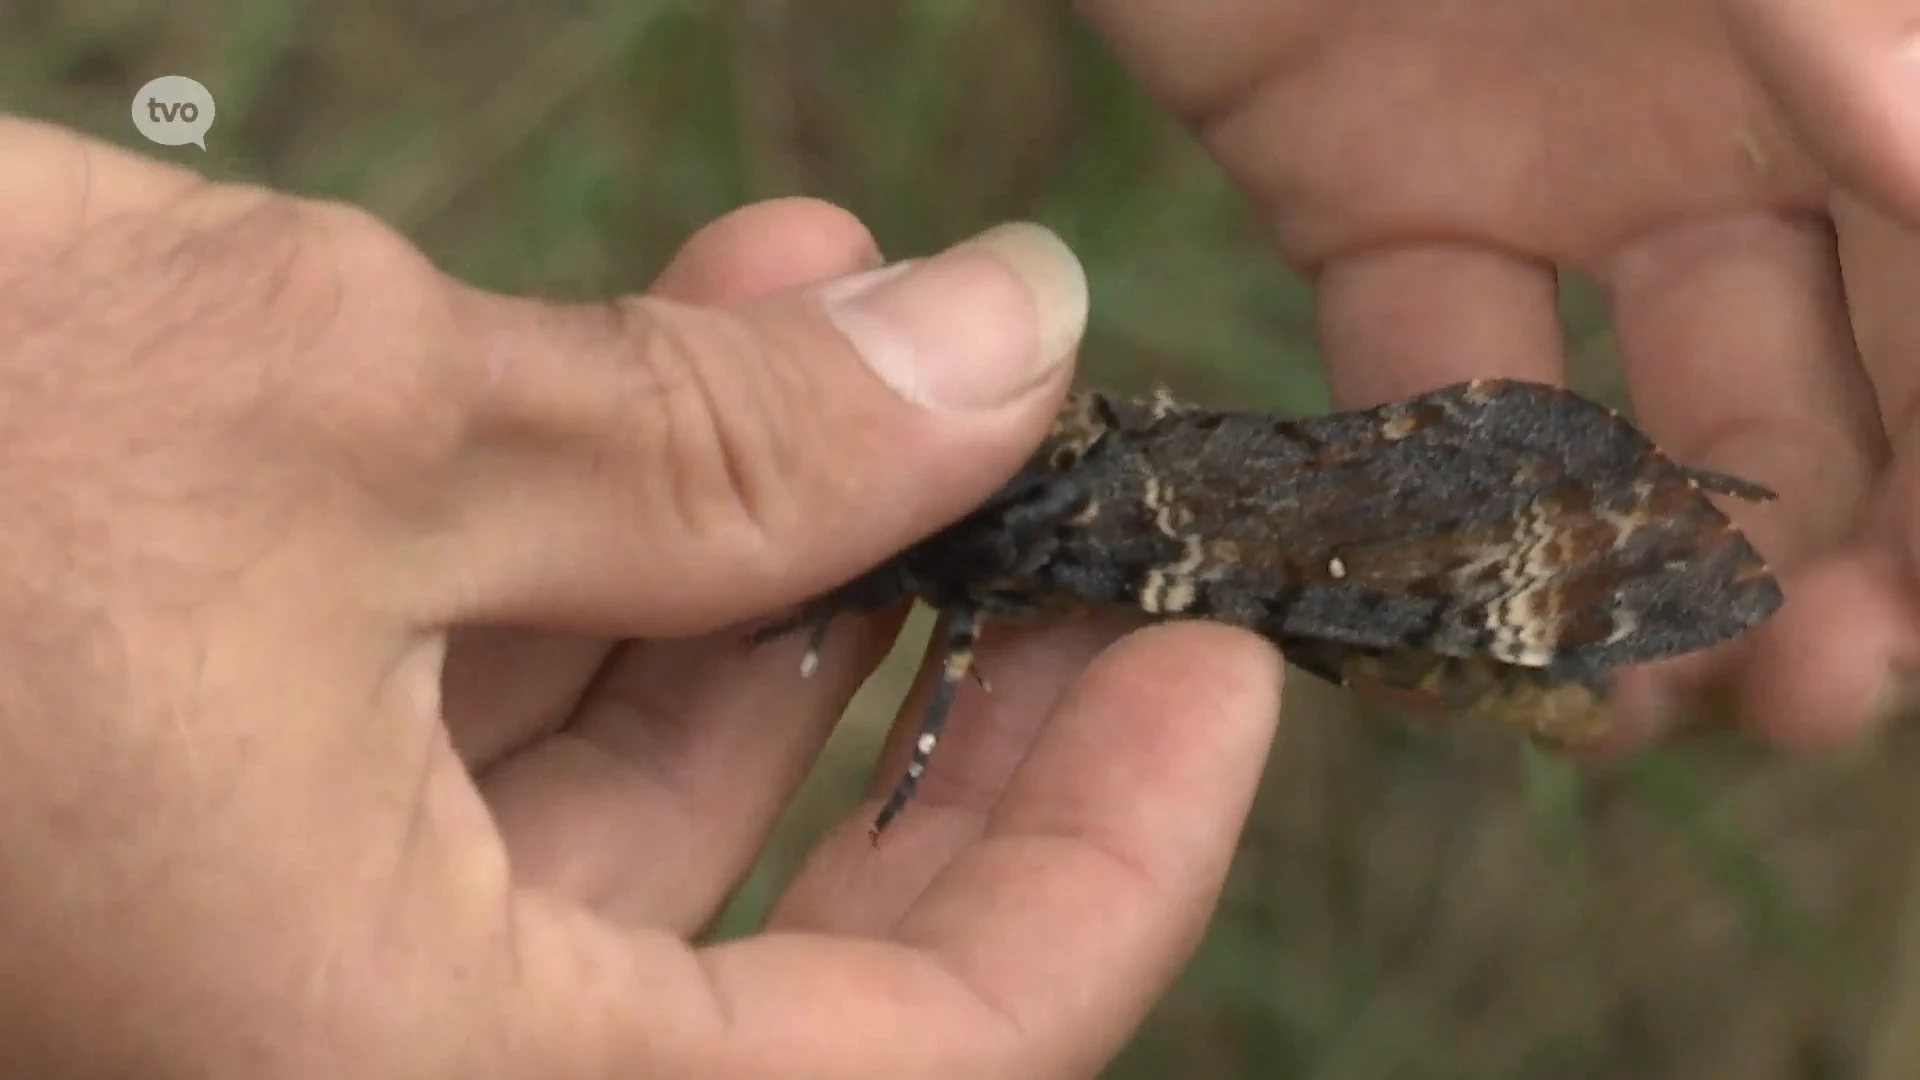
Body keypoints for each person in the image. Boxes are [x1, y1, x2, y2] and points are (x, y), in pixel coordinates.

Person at [3, 0, 1918, 1073]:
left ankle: (1601, 564)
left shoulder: (974, 527)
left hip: (1217, 528)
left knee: (1438, 590)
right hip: (1226, 510)